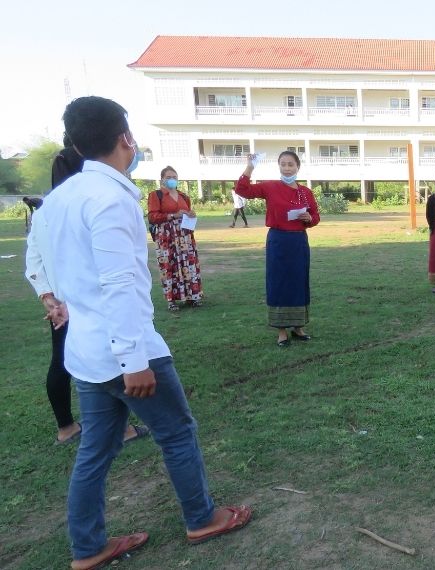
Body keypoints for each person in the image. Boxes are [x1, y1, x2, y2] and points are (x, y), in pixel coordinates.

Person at [29, 96, 251, 570]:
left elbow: (44, 266)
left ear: (75, 144)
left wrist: (55, 300)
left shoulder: (58, 200)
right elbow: (119, 284)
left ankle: (88, 546)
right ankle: (202, 517)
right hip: (123, 350)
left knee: (95, 449)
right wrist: (134, 360)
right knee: (177, 432)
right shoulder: (110, 198)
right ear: (125, 138)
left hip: (85, 352)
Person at [24, 139, 148, 447]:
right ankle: (118, 428)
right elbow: (111, 272)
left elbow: (34, 260)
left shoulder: (46, 210)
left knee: (67, 363)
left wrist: (48, 297)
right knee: (113, 365)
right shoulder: (95, 202)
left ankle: (68, 427)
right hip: (93, 305)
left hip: (63, 305)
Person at [236, 151, 320, 346]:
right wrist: (250, 166)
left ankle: (298, 327)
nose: (287, 168)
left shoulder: (305, 192)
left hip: (298, 242)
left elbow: (315, 216)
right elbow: (242, 190)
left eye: (291, 164)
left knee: (299, 281)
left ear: (298, 167)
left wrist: (309, 218)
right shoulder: (270, 187)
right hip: (278, 241)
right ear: (279, 166)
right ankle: (281, 330)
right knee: (279, 282)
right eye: (283, 164)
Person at [148, 167, 203, 312]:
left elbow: (187, 212)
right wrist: (173, 215)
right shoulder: (156, 195)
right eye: (168, 177)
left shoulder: (184, 196)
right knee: (169, 266)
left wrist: (191, 214)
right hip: (167, 237)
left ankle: (192, 296)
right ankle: (171, 300)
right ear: (162, 179)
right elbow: (152, 216)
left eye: (174, 177)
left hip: (184, 236)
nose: (172, 179)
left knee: (188, 264)